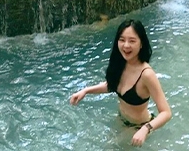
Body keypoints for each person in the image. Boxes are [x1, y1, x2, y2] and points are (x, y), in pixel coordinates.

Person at [69, 19, 172, 147]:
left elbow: (166, 112)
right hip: (121, 119)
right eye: (122, 40)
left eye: (132, 41)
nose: (126, 45)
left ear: (141, 44)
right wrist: (86, 91)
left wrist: (146, 129)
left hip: (138, 127)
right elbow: (113, 85)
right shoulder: (122, 63)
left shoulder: (146, 74)